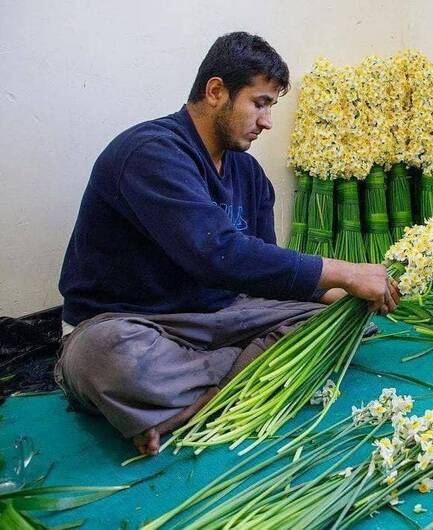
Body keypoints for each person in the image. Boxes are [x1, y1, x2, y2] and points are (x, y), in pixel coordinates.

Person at [55, 32, 399, 456]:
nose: (267, 121)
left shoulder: (249, 175)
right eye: (260, 103)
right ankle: (236, 380)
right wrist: (344, 270)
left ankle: (183, 402)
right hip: (131, 323)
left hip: (219, 317)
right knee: (106, 358)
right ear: (216, 91)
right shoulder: (150, 153)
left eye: (270, 106)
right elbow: (216, 253)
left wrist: (343, 294)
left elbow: (263, 277)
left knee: (341, 323)